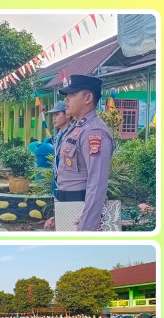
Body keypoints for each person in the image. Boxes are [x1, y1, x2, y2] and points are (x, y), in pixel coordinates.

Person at [56, 75, 115, 231]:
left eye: (72, 95)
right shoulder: (77, 128)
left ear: (88, 97)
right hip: (69, 206)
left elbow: (97, 183)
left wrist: (87, 227)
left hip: (82, 212)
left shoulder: (93, 132)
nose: (66, 100)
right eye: (66, 96)